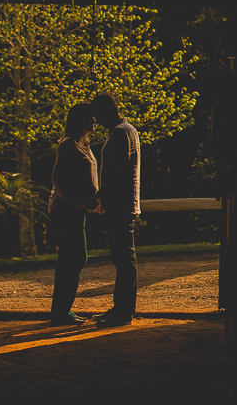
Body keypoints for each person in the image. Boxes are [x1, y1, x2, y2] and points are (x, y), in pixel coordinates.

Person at [91, 93, 141, 327]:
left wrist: (101, 196)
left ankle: (122, 312)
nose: (97, 122)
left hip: (120, 205)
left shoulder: (121, 133)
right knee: (123, 258)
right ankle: (121, 308)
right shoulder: (127, 130)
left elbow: (115, 172)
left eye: (98, 116)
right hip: (123, 203)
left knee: (123, 258)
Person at [48, 102, 99, 326]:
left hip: (78, 208)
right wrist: (82, 201)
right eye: (90, 117)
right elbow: (59, 181)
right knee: (74, 258)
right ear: (79, 120)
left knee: (74, 258)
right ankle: (60, 312)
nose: (94, 121)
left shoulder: (83, 145)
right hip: (67, 208)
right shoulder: (68, 145)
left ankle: (63, 310)